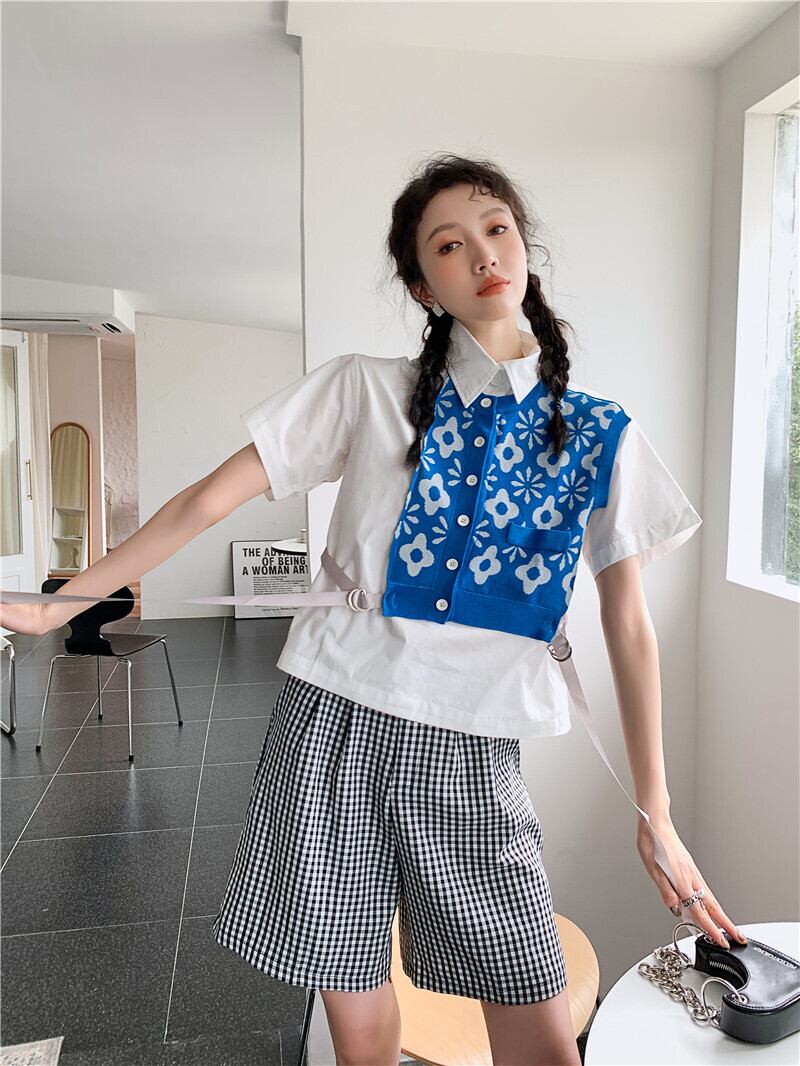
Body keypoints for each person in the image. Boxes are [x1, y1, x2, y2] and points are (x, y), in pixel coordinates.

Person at [0, 154, 747, 1066]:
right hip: (330, 720)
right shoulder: (365, 389)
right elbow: (206, 499)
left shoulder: (601, 433)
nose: (483, 254)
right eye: (450, 244)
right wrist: (65, 603)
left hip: (472, 745)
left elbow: (630, 625)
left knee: (537, 1025)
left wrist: (656, 812)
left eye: (497, 229)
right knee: (357, 1027)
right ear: (423, 285)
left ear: (525, 248)